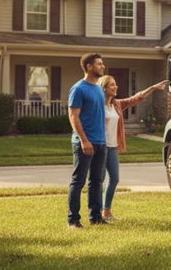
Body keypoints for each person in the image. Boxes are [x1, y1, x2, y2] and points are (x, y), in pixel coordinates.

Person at [98, 76, 168, 221]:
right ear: (104, 88)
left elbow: (136, 98)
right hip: (100, 147)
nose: (116, 87)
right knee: (99, 179)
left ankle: (106, 210)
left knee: (114, 179)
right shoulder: (97, 105)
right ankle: (95, 211)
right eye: (112, 85)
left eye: (115, 84)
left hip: (112, 147)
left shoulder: (117, 104)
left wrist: (153, 88)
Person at [67, 53, 108, 228]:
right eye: (99, 64)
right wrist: (84, 140)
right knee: (78, 182)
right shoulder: (78, 89)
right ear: (89, 67)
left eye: (102, 64)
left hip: (100, 142)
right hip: (84, 143)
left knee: (97, 181)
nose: (102, 67)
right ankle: (73, 220)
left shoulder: (99, 88)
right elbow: (73, 117)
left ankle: (96, 217)